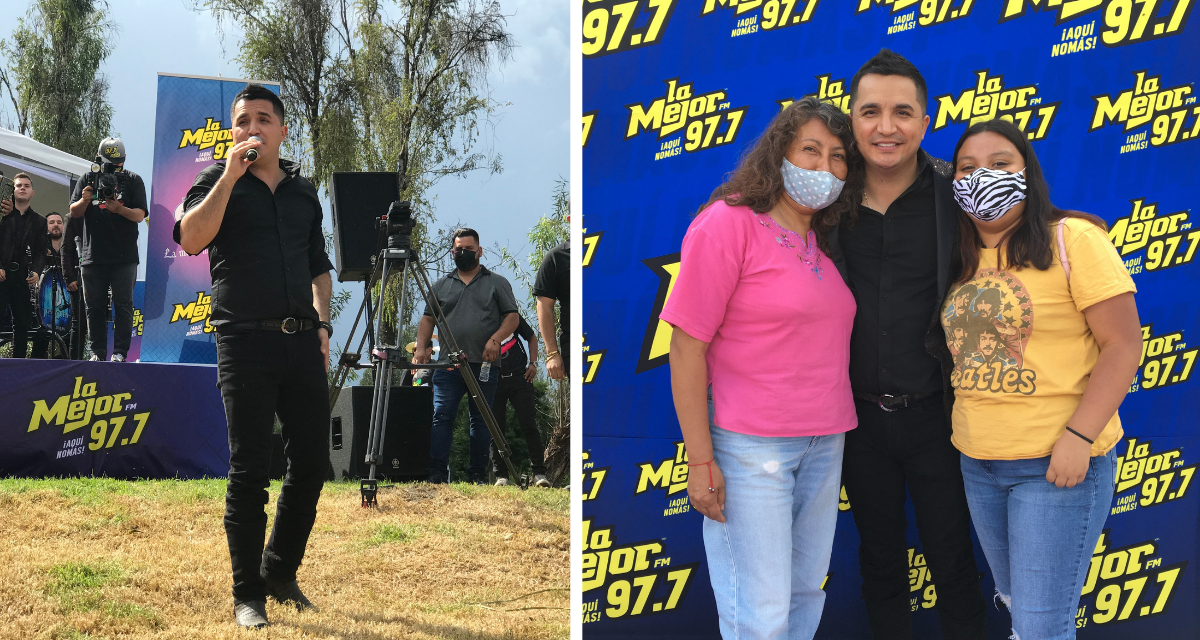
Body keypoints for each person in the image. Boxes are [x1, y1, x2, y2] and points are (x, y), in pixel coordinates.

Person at [662, 97, 858, 640]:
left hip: (825, 442)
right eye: (811, 150)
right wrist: (700, 461)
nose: (825, 167)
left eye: (839, 156)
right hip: (751, 450)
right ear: (779, 154)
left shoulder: (819, 241)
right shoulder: (727, 224)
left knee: (801, 598)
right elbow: (685, 349)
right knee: (761, 614)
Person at [945, 118, 1140, 639]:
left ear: (1027, 172)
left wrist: (1078, 437)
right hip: (978, 463)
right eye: (967, 168)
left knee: (1040, 627)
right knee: (1019, 609)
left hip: (1055, 467)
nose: (981, 176)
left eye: (1000, 164)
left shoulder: (1072, 239)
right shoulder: (958, 258)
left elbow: (1123, 346)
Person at [828, 49, 989, 639]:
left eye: (902, 111)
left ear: (927, 120)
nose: (886, 126)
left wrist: (1071, 224)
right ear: (852, 120)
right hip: (856, 421)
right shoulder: (826, 201)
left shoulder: (957, 194)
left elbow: (1024, 222)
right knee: (879, 563)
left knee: (954, 561)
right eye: (870, 112)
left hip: (939, 418)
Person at [175, 83, 334, 629]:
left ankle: (280, 571)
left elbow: (319, 266)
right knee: (250, 470)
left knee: (312, 462)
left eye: (264, 119)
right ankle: (248, 596)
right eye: (243, 121)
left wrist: (323, 323)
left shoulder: (304, 192)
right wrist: (229, 176)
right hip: (243, 342)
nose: (252, 129)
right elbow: (191, 238)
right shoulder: (213, 182)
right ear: (233, 132)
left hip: (301, 341)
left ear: (282, 130)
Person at [413, 228, 519, 484]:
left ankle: (477, 476)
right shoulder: (441, 285)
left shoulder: (497, 282)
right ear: (453, 252)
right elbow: (428, 319)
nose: (463, 253)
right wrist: (420, 347)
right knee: (442, 417)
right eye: (458, 249)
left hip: (484, 365)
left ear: (479, 251)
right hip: (447, 366)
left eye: (468, 249)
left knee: (481, 421)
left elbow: (512, 317)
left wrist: (496, 339)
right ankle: (437, 474)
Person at [68, 137, 147, 362]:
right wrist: (84, 200)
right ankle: (97, 353)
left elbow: (140, 215)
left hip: (124, 257)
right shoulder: (87, 178)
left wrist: (119, 209)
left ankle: (120, 353)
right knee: (94, 306)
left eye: (118, 163)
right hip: (92, 255)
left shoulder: (133, 180)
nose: (114, 168)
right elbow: (73, 212)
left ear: (124, 161)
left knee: (123, 305)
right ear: (98, 159)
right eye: (109, 163)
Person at [490, 314, 551, 487]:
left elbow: (531, 337)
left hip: (520, 378)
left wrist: (533, 363)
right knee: (496, 429)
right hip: (494, 379)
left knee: (529, 425)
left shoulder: (511, 316)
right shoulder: (482, 315)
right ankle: (501, 476)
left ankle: (539, 473)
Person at [0, 173, 48, 359]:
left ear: (32, 192)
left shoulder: (40, 221)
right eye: (18, 185)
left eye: (26, 185)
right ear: (13, 190)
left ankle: (18, 364)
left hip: (23, 278)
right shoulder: (3, 217)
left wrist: (36, 271)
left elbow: (41, 251)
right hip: (2, 276)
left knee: (21, 324)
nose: (22, 187)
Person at [30, 212, 82, 359]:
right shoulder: (39, 247)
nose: (56, 225)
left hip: (67, 302)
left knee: (68, 337)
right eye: (51, 222)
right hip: (43, 301)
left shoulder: (72, 247)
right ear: (46, 227)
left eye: (59, 222)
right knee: (41, 339)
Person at [534, 238, 569, 380]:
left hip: (621, 343)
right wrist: (552, 354)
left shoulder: (619, 251)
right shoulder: (556, 256)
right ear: (570, 220)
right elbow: (544, 305)